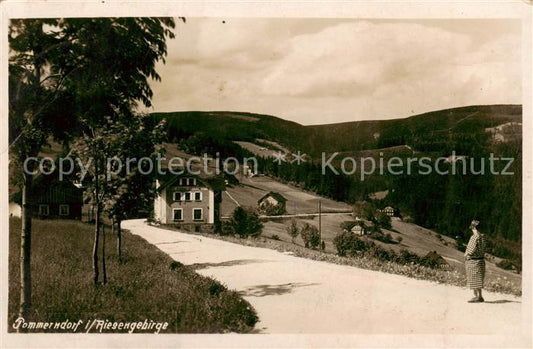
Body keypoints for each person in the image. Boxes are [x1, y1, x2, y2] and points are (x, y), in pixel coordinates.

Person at [464, 220, 486, 303]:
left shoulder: (474, 237)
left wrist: (465, 255)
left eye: (472, 228)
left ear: (474, 227)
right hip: (481, 260)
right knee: (479, 279)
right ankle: (480, 296)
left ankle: (476, 296)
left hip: (473, 261)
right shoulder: (483, 237)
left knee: (473, 279)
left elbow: (470, 250)